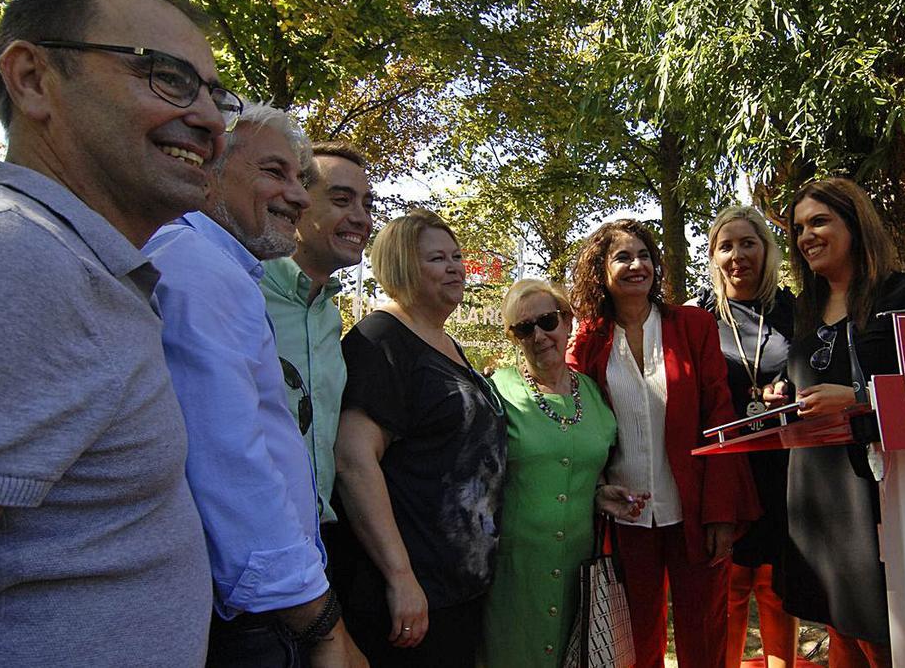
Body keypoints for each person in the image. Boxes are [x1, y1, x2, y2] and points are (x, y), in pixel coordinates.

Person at [0, 0, 233, 665]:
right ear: (33, 79)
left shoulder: (74, 263)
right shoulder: (21, 254)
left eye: (217, 95)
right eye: (168, 77)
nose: (211, 120)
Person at [143, 102, 364, 667]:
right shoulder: (196, 271)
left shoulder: (222, 270)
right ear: (208, 167)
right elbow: (227, 460)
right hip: (251, 616)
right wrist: (319, 623)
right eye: (275, 172)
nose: (297, 195)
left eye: (300, 178)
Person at [766, 178, 905, 668]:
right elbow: (811, 380)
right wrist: (785, 394)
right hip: (815, 492)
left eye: (819, 221)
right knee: (838, 627)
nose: (806, 236)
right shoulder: (805, 309)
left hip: (881, 496)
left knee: (886, 635)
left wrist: (858, 397)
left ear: (855, 223)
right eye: (799, 229)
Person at [567, 218, 761, 668]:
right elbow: (581, 424)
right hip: (625, 517)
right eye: (623, 257)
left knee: (705, 634)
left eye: (644, 255)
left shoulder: (692, 325)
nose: (638, 264)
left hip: (693, 511)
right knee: (634, 639)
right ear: (601, 270)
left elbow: (720, 415)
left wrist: (720, 512)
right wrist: (595, 494)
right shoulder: (588, 341)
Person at [334, 209, 507, 667]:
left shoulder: (443, 340)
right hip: (413, 596)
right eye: (437, 258)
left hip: (459, 588)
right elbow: (354, 463)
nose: (455, 267)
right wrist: (400, 576)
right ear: (401, 266)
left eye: (456, 256)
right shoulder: (380, 342)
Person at [483, 278, 650, 666]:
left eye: (547, 321)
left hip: (580, 572)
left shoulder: (594, 394)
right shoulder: (496, 391)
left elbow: (588, 466)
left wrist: (601, 495)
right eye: (524, 329)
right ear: (513, 337)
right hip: (515, 573)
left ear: (567, 322)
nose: (539, 335)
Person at [693, 205, 799, 668]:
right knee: (730, 590)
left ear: (767, 249)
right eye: (726, 246)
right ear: (714, 257)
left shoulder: (795, 309)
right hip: (725, 470)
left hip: (785, 468)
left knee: (778, 590)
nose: (737, 255)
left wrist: (794, 390)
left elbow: (815, 370)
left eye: (748, 243)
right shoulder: (700, 315)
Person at [261, 140, 374, 552]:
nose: (360, 218)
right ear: (295, 202)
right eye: (342, 200)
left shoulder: (329, 314)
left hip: (314, 544)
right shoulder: (243, 289)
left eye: (366, 203)